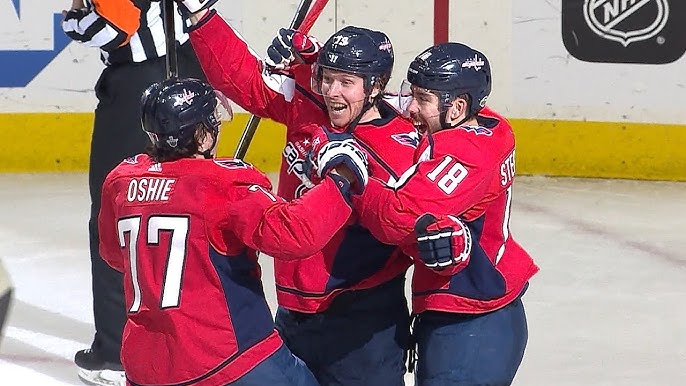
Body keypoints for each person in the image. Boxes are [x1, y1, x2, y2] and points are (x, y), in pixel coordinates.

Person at [175, 2, 418, 384]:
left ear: (374, 87)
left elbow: (409, 223)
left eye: (346, 82)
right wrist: (202, 16)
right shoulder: (307, 99)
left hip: (363, 321)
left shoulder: (401, 145)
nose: (332, 92)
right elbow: (241, 79)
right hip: (292, 311)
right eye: (327, 77)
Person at [99, 77, 368, 386]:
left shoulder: (121, 181)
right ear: (201, 136)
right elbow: (295, 234)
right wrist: (340, 182)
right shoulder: (223, 185)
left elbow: (113, 253)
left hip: (146, 365)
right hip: (227, 359)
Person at [351, 43, 540, 385]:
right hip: (470, 312)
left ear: (457, 107)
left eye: (422, 99)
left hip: (473, 321)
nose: (411, 107)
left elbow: (397, 216)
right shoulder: (487, 124)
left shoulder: (465, 156)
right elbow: (394, 103)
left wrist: (355, 180)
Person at [61, 1, 208, 384]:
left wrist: (74, 20)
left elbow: (113, 27)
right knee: (185, 210)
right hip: (189, 73)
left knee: (118, 214)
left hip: (140, 89)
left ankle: (114, 352)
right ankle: (191, 339)